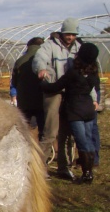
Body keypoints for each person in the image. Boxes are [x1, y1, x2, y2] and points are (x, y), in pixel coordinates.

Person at [40, 42, 101, 183]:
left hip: (75, 111)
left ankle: (86, 175)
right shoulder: (93, 73)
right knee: (88, 140)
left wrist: (43, 84)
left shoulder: (73, 73)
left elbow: (56, 86)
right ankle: (89, 172)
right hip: (88, 110)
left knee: (81, 142)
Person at [32, 18, 81, 179]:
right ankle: (39, 167)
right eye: (68, 34)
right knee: (50, 132)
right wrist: (41, 69)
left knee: (67, 133)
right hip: (53, 92)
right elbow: (39, 58)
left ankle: (64, 167)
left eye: (73, 34)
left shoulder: (78, 48)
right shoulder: (50, 46)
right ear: (62, 33)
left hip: (71, 94)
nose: (70, 37)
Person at [10, 37, 45, 136]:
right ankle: (43, 149)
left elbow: (14, 82)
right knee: (43, 129)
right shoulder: (45, 59)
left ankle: (27, 148)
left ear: (28, 46)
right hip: (41, 100)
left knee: (24, 129)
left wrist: (14, 94)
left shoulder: (20, 60)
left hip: (24, 100)